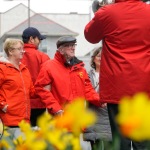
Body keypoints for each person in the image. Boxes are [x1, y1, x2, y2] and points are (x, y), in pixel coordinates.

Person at [84, 0, 150, 150]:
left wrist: (102, 13)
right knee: (143, 140)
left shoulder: (107, 13)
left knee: (121, 141)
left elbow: (90, 35)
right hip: (145, 85)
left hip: (118, 86)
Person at [35, 36, 101, 116]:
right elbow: (42, 90)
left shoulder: (80, 68)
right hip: (60, 119)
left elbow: (87, 89)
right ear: (61, 50)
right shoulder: (48, 66)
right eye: (69, 45)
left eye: (73, 45)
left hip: (78, 119)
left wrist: (100, 100)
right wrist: (56, 108)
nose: (73, 48)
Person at [0, 38, 34, 139]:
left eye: (22, 49)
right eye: (19, 49)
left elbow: (32, 91)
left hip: (25, 122)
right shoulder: (2, 69)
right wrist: (3, 105)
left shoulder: (24, 69)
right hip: (9, 122)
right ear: (10, 51)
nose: (23, 51)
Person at [83, 47, 112, 150]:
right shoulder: (86, 75)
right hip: (92, 116)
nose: (101, 59)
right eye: (99, 56)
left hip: (106, 116)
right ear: (93, 58)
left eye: (104, 57)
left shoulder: (111, 75)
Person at [21, 27, 50, 127]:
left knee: (21, 136)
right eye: (39, 39)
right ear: (31, 39)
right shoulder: (43, 57)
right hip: (39, 102)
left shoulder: (15, 56)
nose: (40, 42)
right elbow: (48, 80)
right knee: (38, 137)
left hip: (20, 103)